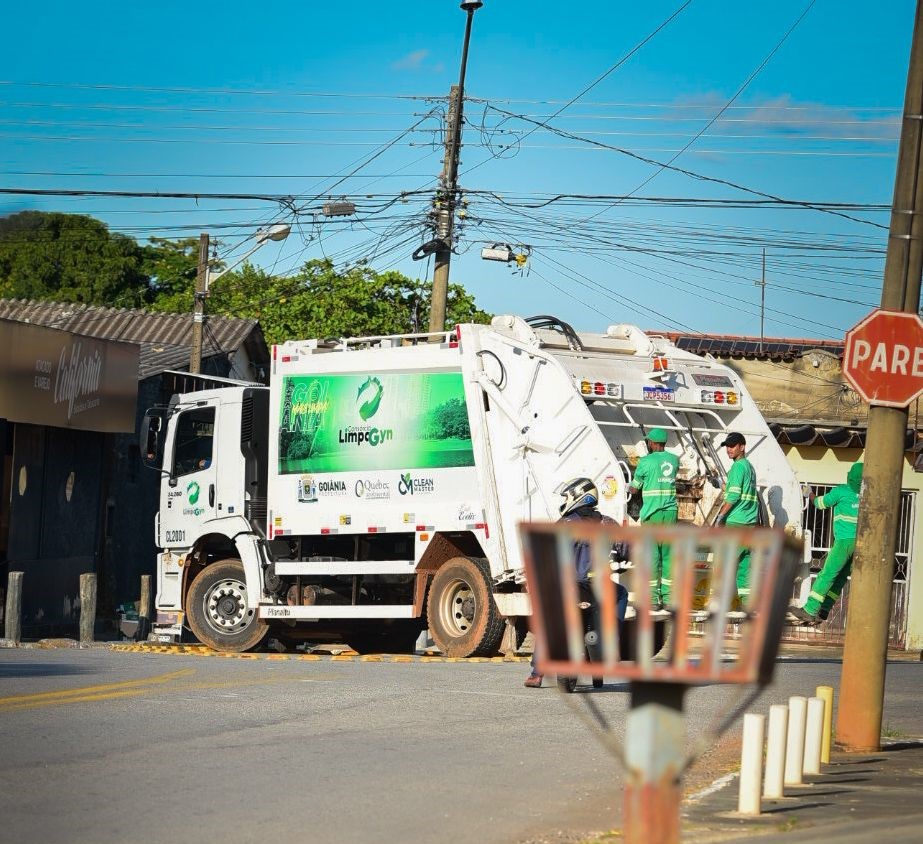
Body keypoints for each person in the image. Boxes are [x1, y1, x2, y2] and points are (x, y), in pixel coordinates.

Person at [525, 477, 629, 688]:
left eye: (566, 497)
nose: (564, 500)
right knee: (622, 593)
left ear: (578, 497)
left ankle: (537, 673)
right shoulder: (607, 523)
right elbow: (627, 548)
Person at [790, 462, 863, 626]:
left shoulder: (841, 491)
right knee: (841, 577)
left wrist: (809, 494)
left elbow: (820, 504)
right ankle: (824, 610)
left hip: (844, 542)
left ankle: (809, 610)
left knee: (827, 574)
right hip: (860, 544)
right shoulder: (868, 495)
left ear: (851, 477)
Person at [627, 427, 679, 610]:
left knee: (652, 557)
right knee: (668, 557)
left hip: (652, 514)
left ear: (652, 443)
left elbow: (635, 488)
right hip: (671, 514)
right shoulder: (675, 460)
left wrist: (628, 487)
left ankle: (652, 600)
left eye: (649, 441)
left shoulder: (645, 462)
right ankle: (669, 599)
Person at [714, 432, 760, 606]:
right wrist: (721, 485)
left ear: (742, 446)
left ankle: (718, 602)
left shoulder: (738, 467)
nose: (729, 449)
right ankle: (747, 603)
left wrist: (720, 517)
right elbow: (739, 491)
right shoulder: (749, 467)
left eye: (732, 446)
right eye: (727, 446)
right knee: (743, 564)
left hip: (736, 523)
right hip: (748, 522)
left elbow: (733, 497)